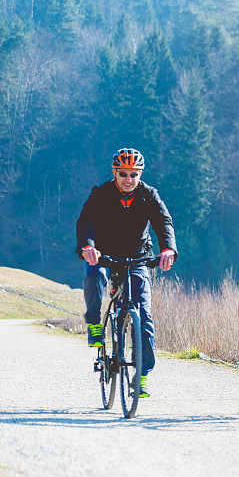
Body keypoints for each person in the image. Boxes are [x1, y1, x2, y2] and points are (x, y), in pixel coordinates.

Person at [76, 148, 177, 398]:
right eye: (123, 174)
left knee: (143, 314)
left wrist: (168, 249)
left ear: (140, 174)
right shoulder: (101, 194)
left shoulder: (149, 195)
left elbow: (163, 223)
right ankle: (93, 324)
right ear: (115, 173)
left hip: (137, 257)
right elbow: (86, 220)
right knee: (94, 275)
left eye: (134, 174)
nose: (129, 179)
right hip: (104, 254)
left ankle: (142, 375)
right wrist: (88, 245)